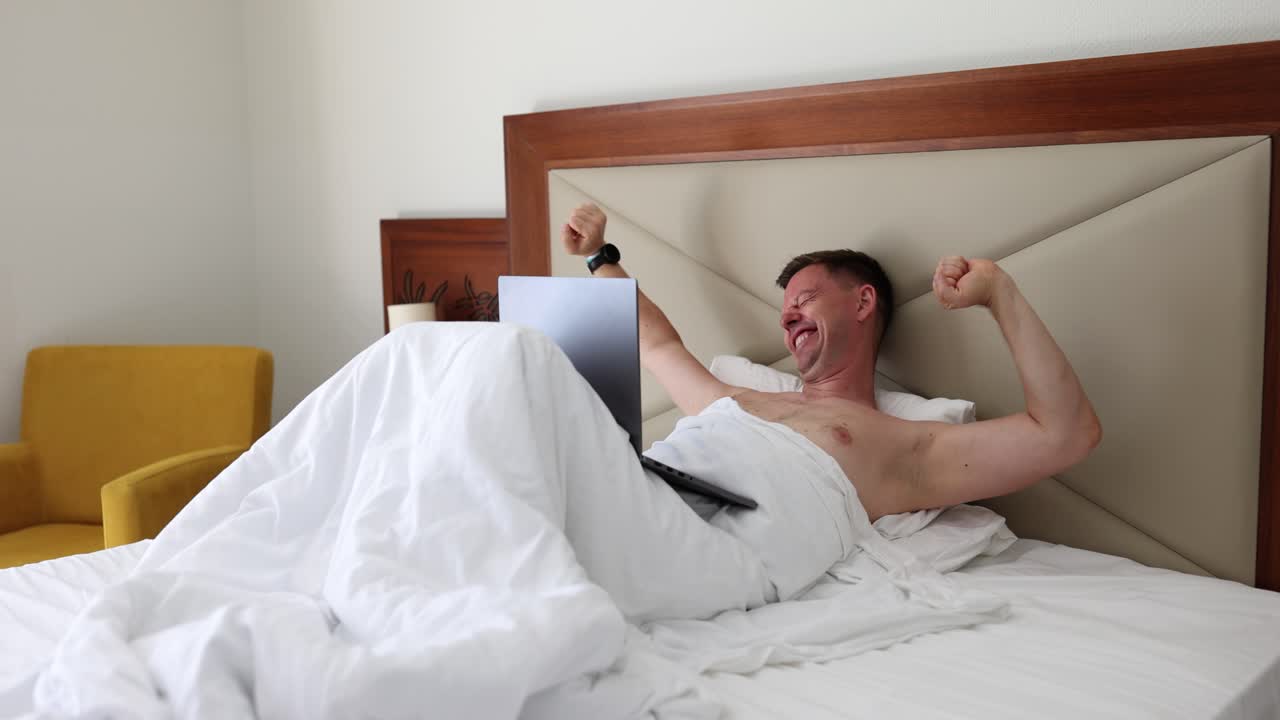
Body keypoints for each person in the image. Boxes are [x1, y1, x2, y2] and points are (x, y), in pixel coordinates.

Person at [562, 203, 1101, 521]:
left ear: (863, 303)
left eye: (804, 300)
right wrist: (599, 255)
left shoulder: (907, 446)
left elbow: (1065, 433)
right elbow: (658, 346)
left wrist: (998, 293)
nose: (787, 318)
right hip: (631, 496)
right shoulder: (735, 400)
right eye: (785, 309)